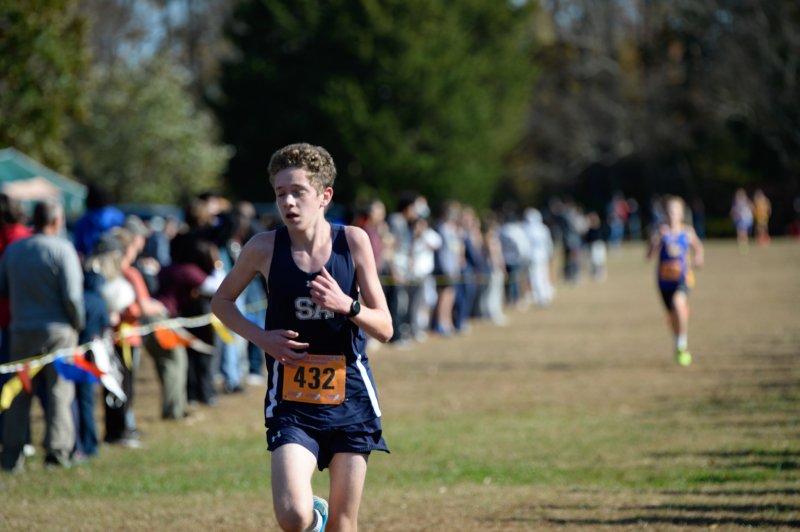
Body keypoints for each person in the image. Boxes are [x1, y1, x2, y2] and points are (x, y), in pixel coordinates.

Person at [211, 142, 392, 532]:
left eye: (298, 192)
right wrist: (262, 339)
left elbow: (386, 327)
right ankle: (314, 518)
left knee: (345, 523)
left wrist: (348, 305)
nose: (288, 203)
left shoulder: (353, 242)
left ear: (324, 196)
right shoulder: (263, 247)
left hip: (351, 397)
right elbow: (222, 302)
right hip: (291, 400)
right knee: (293, 514)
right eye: (280, 194)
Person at [0, 199, 85, 470]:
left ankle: (12, 455)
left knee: (18, 392)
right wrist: (77, 323)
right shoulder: (63, 249)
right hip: (58, 331)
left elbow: (2, 287)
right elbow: (72, 295)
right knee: (59, 391)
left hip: (21, 329)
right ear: (57, 221)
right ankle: (57, 453)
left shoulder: (14, 250)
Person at [647, 196, 704, 366]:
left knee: (678, 303)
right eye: (669, 211)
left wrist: (699, 258)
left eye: (676, 210)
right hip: (664, 282)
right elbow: (649, 256)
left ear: (681, 213)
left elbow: (698, 248)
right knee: (672, 318)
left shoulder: (687, 232)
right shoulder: (661, 232)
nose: (672, 214)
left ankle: (682, 344)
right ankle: (678, 342)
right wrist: (655, 241)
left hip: (683, 279)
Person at [730, 188, 753, 252]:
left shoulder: (746, 202)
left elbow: (751, 208)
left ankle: (744, 245)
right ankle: (742, 245)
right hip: (739, 220)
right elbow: (733, 212)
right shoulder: (736, 203)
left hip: (744, 220)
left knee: (743, 233)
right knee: (741, 233)